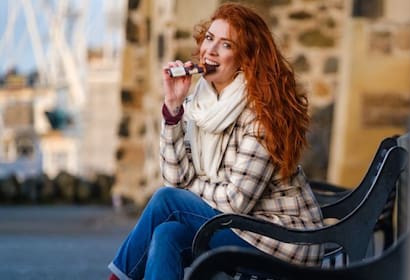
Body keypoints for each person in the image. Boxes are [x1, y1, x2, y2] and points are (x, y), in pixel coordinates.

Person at [108, 2, 323, 280]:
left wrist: (188, 187)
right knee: (167, 232)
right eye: (209, 39)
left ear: (246, 59)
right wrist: (173, 110)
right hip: (242, 228)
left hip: (284, 240)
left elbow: (234, 203)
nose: (210, 49)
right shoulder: (198, 104)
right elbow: (175, 179)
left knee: (167, 201)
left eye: (226, 45)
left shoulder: (264, 114)